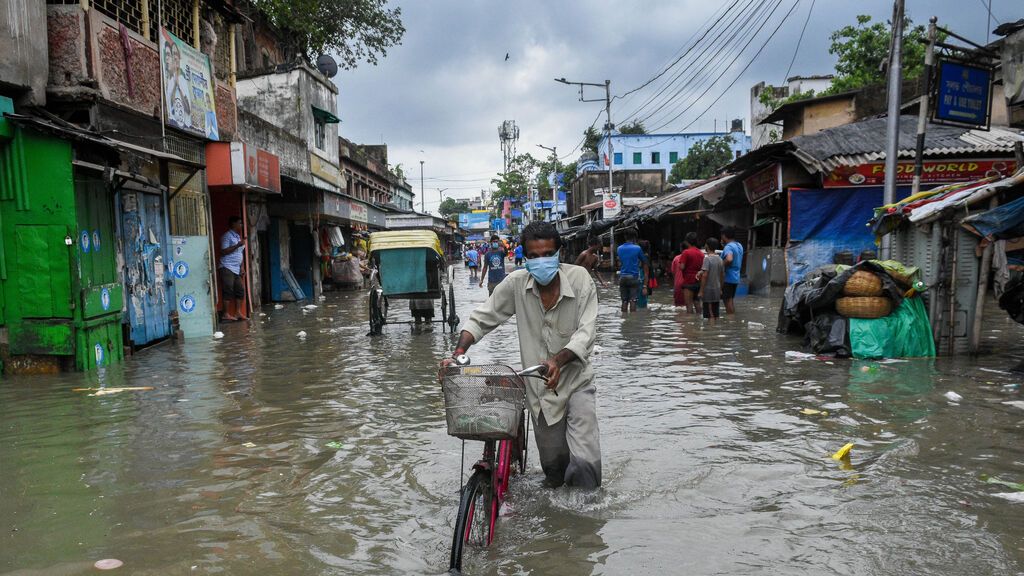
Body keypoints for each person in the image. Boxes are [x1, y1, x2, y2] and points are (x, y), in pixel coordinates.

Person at [440, 221, 600, 489]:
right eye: (534, 257)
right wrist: (457, 353)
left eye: (548, 255)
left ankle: (586, 523)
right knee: (554, 471)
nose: (541, 261)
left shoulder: (580, 279)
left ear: (559, 254)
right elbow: (482, 318)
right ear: (524, 257)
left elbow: (586, 333)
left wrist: (557, 360)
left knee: (585, 464)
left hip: (576, 383)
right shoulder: (516, 283)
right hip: (539, 392)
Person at [218, 216, 247, 321]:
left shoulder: (238, 237)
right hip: (227, 266)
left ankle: (238, 312)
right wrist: (238, 245)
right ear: (233, 224)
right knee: (228, 289)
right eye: (240, 223)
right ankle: (225, 314)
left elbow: (240, 253)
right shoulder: (227, 236)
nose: (241, 225)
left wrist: (242, 267)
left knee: (240, 290)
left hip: (236, 268)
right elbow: (224, 251)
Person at [616, 229, 649, 312]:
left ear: (625, 237)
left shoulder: (619, 248)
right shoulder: (637, 248)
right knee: (633, 300)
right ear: (634, 238)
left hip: (622, 277)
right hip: (633, 277)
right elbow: (645, 261)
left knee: (624, 301)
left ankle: (624, 319)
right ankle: (632, 319)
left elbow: (619, 263)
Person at [671, 233, 704, 313]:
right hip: (697, 281)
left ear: (687, 241)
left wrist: (679, 264)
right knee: (697, 303)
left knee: (689, 305)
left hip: (688, 282)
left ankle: (689, 323)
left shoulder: (686, 252)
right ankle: (698, 322)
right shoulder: (701, 253)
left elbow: (682, 267)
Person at [698, 238, 725, 322]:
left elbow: (705, 275)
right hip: (717, 289)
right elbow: (722, 275)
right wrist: (720, 289)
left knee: (710, 314)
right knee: (715, 313)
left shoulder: (707, 259)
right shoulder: (720, 260)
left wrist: (701, 291)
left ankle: (710, 332)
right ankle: (715, 331)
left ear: (707, 246)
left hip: (708, 290)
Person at [720, 227, 744, 314]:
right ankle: (732, 320)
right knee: (730, 300)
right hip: (736, 277)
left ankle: (730, 320)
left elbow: (729, 259)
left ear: (724, 236)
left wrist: (720, 264)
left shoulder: (728, 247)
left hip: (728, 277)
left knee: (727, 300)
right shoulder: (739, 245)